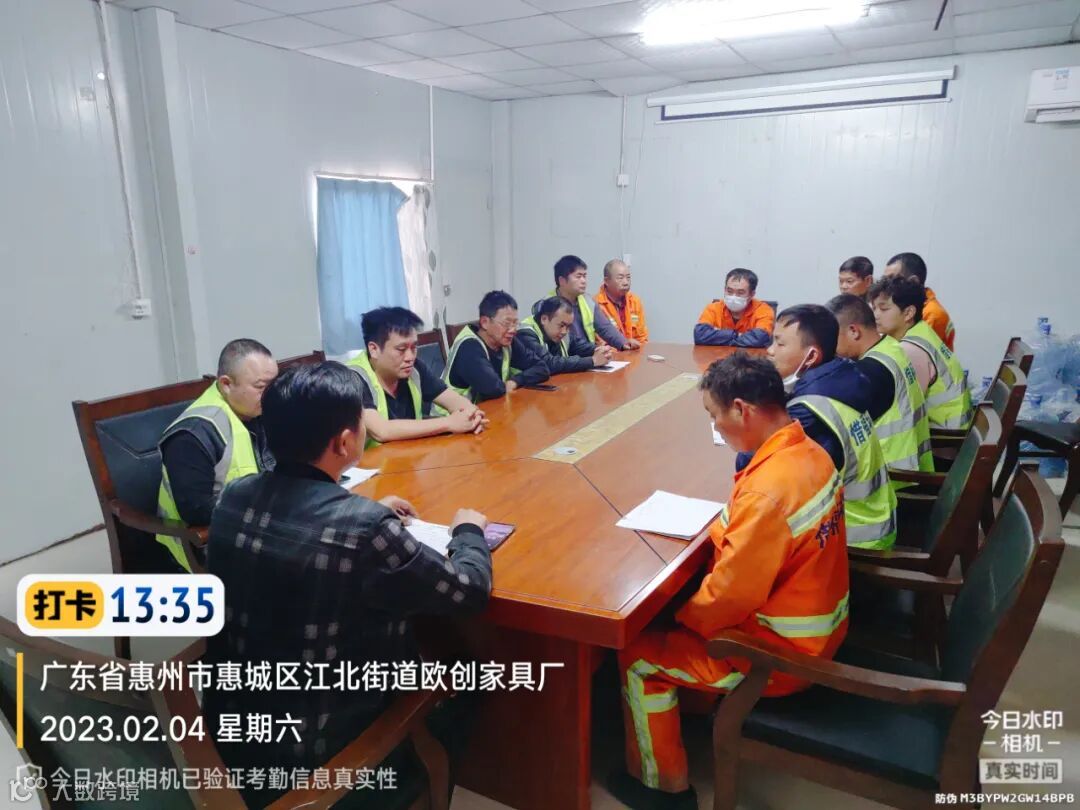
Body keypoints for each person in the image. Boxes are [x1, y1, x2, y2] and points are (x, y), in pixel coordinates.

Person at [204, 361, 493, 808]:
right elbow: (468, 591)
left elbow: (300, 522)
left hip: (231, 738)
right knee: (468, 677)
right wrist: (468, 532)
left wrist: (357, 506)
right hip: (322, 758)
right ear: (344, 442)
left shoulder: (233, 496)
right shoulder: (365, 529)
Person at [607, 353, 848, 810]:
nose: (714, 427)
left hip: (776, 656)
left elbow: (728, 598)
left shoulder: (767, 490)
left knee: (638, 656)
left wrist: (675, 616)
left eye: (714, 415)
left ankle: (663, 789)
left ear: (741, 409)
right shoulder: (808, 452)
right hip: (823, 627)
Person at [769, 305, 897, 550]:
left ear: (811, 357)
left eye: (780, 343)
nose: (770, 351)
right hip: (874, 518)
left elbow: (757, 463)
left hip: (853, 536)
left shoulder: (809, 410)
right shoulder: (843, 378)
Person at [157, 339, 278, 571]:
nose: (271, 395)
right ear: (226, 384)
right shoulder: (193, 434)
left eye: (274, 385)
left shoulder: (255, 411)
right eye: (261, 387)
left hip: (254, 528)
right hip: (205, 545)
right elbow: (197, 510)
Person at [827, 294, 934, 484]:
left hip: (892, 480)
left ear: (853, 331)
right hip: (913, 466)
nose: (830, 347)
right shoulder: (890, 347)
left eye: (832, 338)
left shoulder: (870, 372)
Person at [347, 306, 488, 444]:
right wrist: (449, 423)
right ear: (374, 349)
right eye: (401, 349)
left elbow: (455, 401)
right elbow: (381, 431)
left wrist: (472, 416)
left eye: (414, 347)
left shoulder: (414, 368)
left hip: (413, 454)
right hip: (374, 459)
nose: (410, 357)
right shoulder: (352, 378)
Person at [870, 276, 974, 431]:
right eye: (874, 308)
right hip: (954, 428)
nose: (876, 315)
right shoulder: (922, 330)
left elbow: (905, 407)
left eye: (884, 309)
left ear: (908, 313)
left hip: (946, 437)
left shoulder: (910, 349)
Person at [442, 290, 549, 404]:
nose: (513, 330)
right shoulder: (469, 347)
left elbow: (542, 368)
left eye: (515, 323)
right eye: (506, 323)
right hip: (453, 413)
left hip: (488, 409)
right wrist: (508, 385)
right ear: (485, 322)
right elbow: (493, 389)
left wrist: (515, 381)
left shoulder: (506, 341)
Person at [548, 255, 631, 350]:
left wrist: (623, 343)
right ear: (562, 280)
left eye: (584, 276)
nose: (584, 281)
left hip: (588, 354)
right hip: (564, 358)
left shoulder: (588, 301)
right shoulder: (547, 306)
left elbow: (604, 327)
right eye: (578, 276)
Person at [517, 296, 612, 374]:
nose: (564, 332)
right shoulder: (525, 334)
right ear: (544, 319)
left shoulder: (561, 333)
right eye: (561, 325)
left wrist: (600, 350)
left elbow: (580, 346)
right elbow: (547, 364)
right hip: (524, 388)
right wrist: (592, 361)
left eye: (568, 326)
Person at [883, 251, 955, 350]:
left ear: (914, 282)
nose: (885, 286)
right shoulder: (901, 305)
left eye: (892, 279)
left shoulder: (933, 314)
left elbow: (912, 352)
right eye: (885, 280)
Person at [694, 268, 774, 347]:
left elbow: (759, 339)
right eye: (729, 291)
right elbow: (700, 335)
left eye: (740, 292)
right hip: (717, 354)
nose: (733, 297)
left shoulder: (764, 310)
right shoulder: (713, 308)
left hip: (750, 355)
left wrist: (719, 336)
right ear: (724, 289)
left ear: (752, 294)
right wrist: (737, 335)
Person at [595, 259, 647, 347]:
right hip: (611, 354)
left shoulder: (635, 301)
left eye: (628, 277)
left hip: (635, 353)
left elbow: (642, 338)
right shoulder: (596, 305)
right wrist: (625, 345)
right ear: (607, 281)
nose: (626, 282)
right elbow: (601, 343)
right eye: (620, 278)